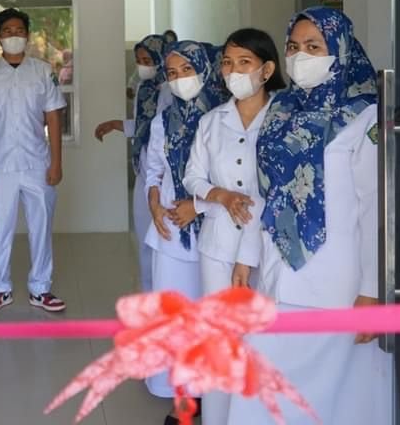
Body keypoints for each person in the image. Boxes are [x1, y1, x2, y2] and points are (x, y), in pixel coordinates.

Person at [226, 7, 392, 425]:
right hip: (278, 270)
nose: (301, 56)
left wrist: (372, 292)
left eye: (313, 46)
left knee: (334, 396)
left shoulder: (363, 116)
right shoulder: (280, 109)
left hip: (336, 280)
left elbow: (376, 209)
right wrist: (247, 255)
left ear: (339, 50)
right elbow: (266, 191)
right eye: (294, 47)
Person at [181, 28, 285, 425]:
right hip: (217, 244)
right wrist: (219, 195)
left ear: (267, 69)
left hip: (268, 248)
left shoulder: (283, 119)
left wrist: (248, 255)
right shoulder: (211, 121)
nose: (233, 70)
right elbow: (192, 178)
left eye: (244, 62)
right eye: (227, 62)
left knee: (260, 340)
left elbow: (278, 189)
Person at [142, 40, 228, 424]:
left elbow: (239, 183)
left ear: (206, 70)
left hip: (218, 231)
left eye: (186, 71)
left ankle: (217, 398)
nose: (179, 81)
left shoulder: (226, 117)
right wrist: (155, 203)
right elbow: (154, 169)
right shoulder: (166, 119)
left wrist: (200, 207)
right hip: (174, 231)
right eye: (172, 74)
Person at [0, 8, 67, 313]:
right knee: (0, 228)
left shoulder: (42, 71)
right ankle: (0, 288)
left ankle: (41, 288)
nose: (14, 36)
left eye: (19, 30)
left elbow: (53, 115)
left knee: (41, 227)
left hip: (37, 161)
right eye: (8, 31)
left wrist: (56, 162)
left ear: (28, 34)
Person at [94, 35, 173, 292]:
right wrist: (116, 125)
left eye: (147, 60)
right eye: (139, 61)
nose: (142, 66)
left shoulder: (173, 90)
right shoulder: (144, 88)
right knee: (144, 235)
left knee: (165, 236)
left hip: (166, 172)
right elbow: (142, 126)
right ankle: (149, 292)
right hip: (144, 168)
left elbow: (164, 131)